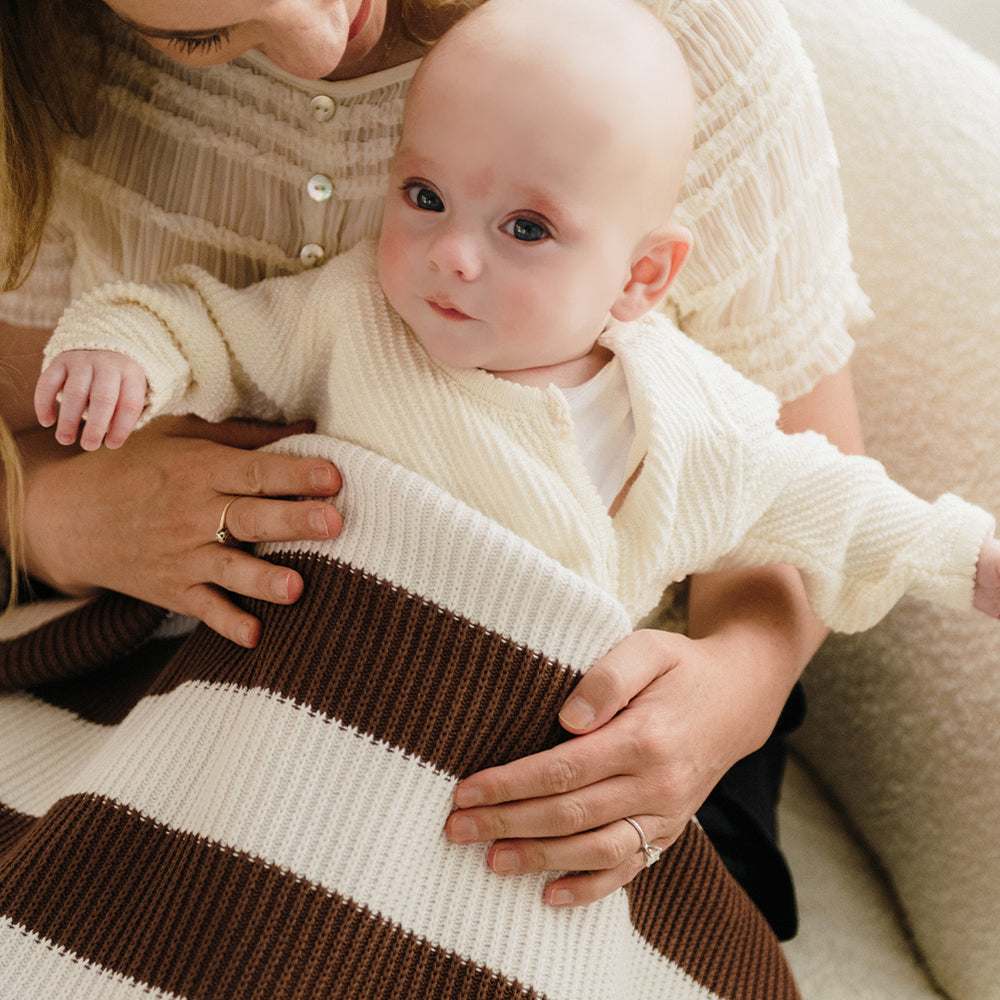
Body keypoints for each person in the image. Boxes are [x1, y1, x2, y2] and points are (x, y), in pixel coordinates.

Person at [0, 0, 873, 938]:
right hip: (214, 661)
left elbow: (806, 490)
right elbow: (27, 423)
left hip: (605, 711)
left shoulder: (697, 37)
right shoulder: (46, 59)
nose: (318, 46)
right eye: (202, 33)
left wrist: (729, 697)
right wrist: (54, 518)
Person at [34, 0, 1000, 642]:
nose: (453, 254)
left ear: (643, 275)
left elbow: (833, 502)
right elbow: (202, 329)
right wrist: (117, 356)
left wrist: (969, 559)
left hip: (543, 725)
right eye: (419, 195)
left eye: (527, 229)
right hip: (314, 677)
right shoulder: (349, 314)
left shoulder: (681, 413)